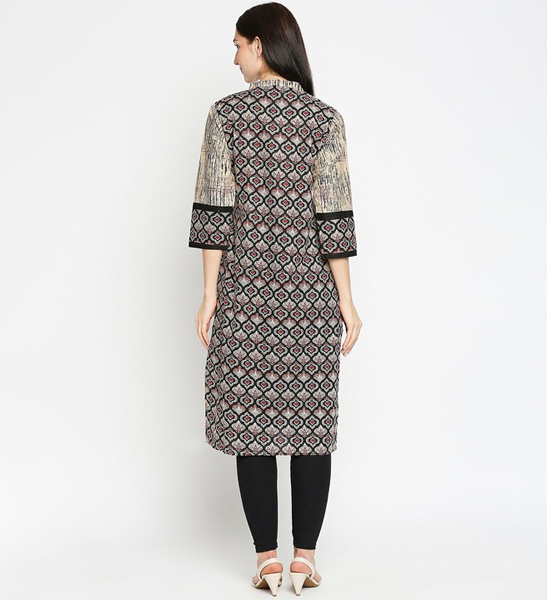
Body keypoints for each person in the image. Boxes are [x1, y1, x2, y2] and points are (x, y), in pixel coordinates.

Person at [188, 2, 362, 595]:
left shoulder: (226, 116)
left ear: (260, 45)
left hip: (244, 293)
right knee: (311, 425)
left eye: (238, 45)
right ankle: (305, 560)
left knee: (250, 425)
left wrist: (209, 295)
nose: (235, 57)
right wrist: (346, 301)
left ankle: (267, 560)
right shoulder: (325, 120)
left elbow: (214, 210)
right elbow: (334, 215)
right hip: (310, 297)